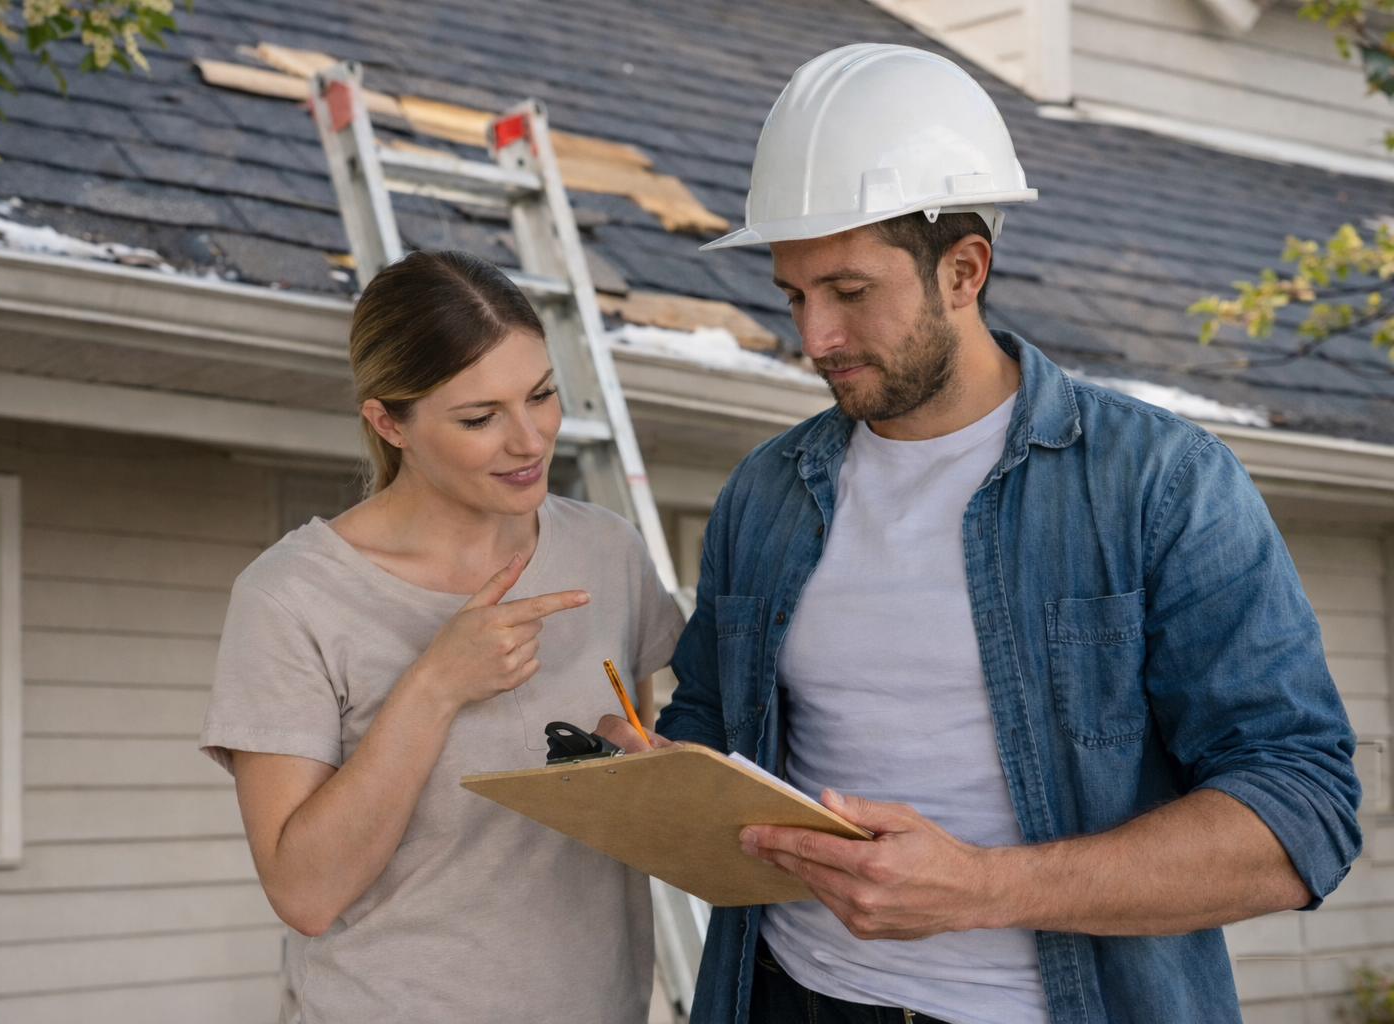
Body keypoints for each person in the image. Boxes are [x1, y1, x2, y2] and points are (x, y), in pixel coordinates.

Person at [596, 45, 1361, 1024]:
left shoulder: (1158, 482)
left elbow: (1301, 815)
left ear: (964, 270)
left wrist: (984, 885)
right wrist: (655, 779)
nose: (813, 338)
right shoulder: (766, 493)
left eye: (849, 291)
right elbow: (714, 726)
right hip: (788, 995)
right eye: (793, 295)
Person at [199, 249, 683, 1024]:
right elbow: (306, 893)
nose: (529, 441)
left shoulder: (608, 552)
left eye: (542, 395)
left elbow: (641, 763)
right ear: (389, 422)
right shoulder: (290, 597)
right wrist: (435, 686)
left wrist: (647, 776)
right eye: (479, 418)